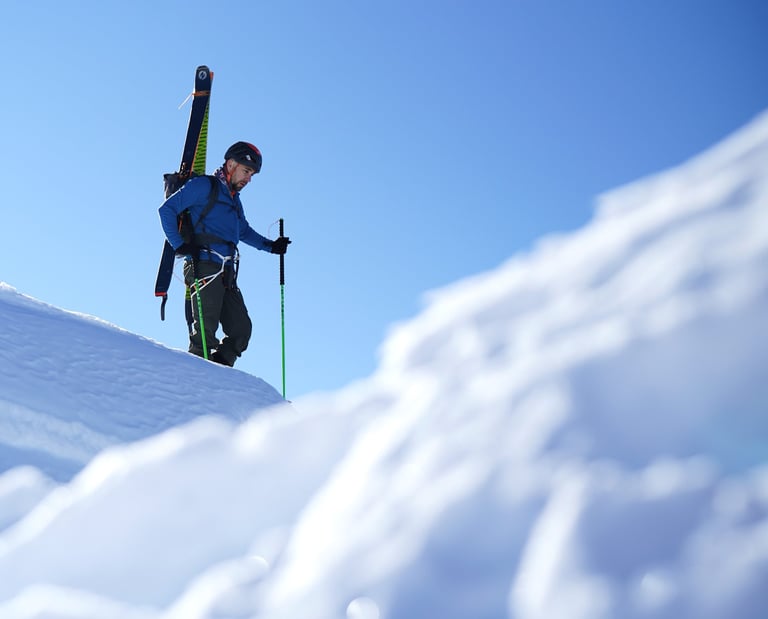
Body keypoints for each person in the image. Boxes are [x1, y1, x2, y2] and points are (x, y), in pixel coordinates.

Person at [158, 141, 290, 366]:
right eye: (246, 171)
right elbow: (167, 210)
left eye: (252, 175)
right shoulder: (203, 186)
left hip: (227, 271)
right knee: (204, 334)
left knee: (241, 330)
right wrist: (179, 245)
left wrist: (271, 246)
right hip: (203, 265)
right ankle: (197, 376)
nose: (249, 179)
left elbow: (243, 230)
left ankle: (218, 374)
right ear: (230, 164)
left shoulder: (233, 200)